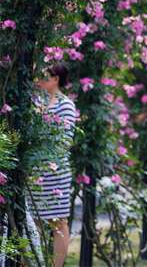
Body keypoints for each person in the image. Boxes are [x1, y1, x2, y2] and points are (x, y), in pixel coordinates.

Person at [33, 63, 78, 267]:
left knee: (58, 222)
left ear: (56, 79)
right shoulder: (37, 101)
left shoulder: (66, 104)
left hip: (56, 172)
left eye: (44, 76)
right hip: (35, 171)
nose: (39, 80)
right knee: (33, 221)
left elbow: (64, 141)